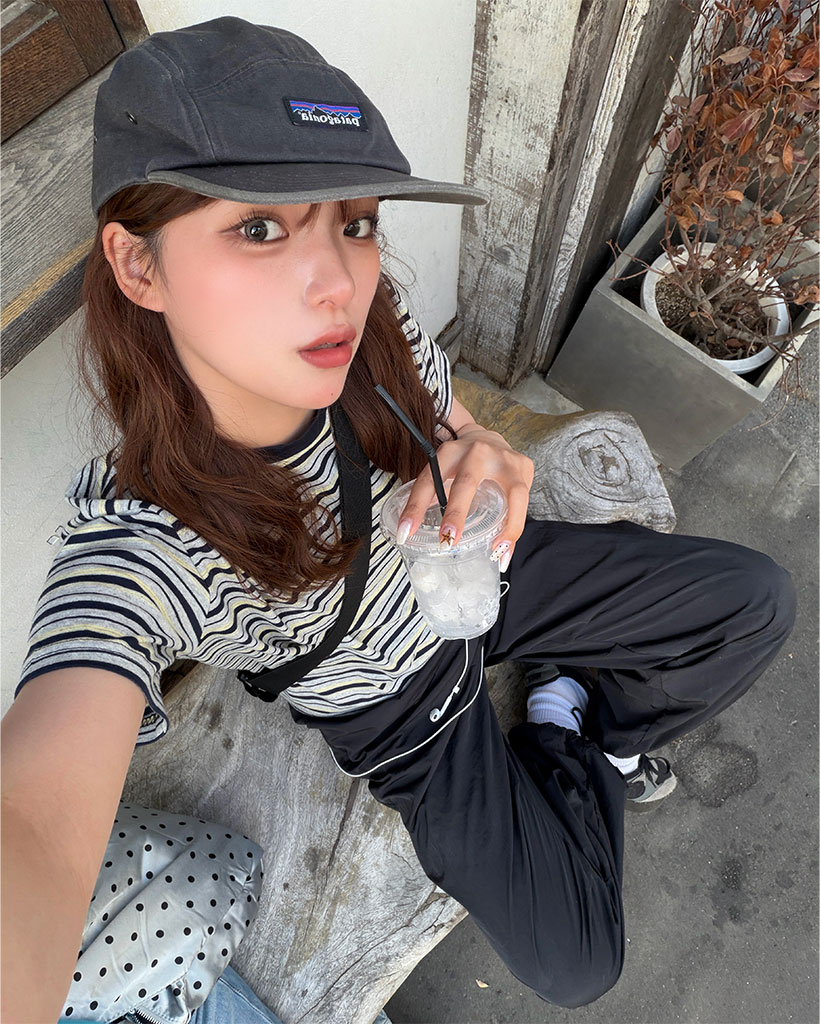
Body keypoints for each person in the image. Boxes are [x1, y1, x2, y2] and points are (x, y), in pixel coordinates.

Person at [1, 14, 796, 1023]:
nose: (338, 282)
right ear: (138, 265)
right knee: (578, 961)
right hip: (403, 710)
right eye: (259, 228)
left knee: (753, 602)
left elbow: (446, 414)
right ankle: (572, 730)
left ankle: (597, 728)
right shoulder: (142, 540)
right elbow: (34, 821)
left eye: (356, 222)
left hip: (474, 574)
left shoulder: (369, 327)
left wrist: (478, 444)